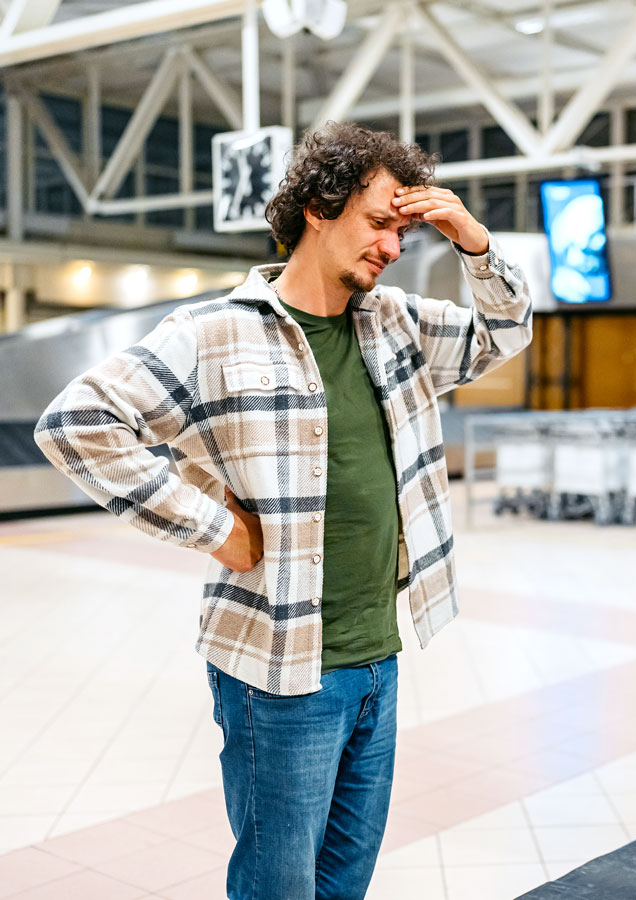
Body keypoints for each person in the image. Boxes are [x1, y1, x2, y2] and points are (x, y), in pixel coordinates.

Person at [34, 122, 532, 900]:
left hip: (378, 659)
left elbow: (504, 333)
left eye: (402, 233)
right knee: (280, 887)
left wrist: (474, 243)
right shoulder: (214, 334)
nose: (393, 247)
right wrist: (215, 530)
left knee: (345, 881)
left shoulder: (395, 323)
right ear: (318, 209)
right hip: (277, 670)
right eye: (380, 223)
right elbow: (75, 424)